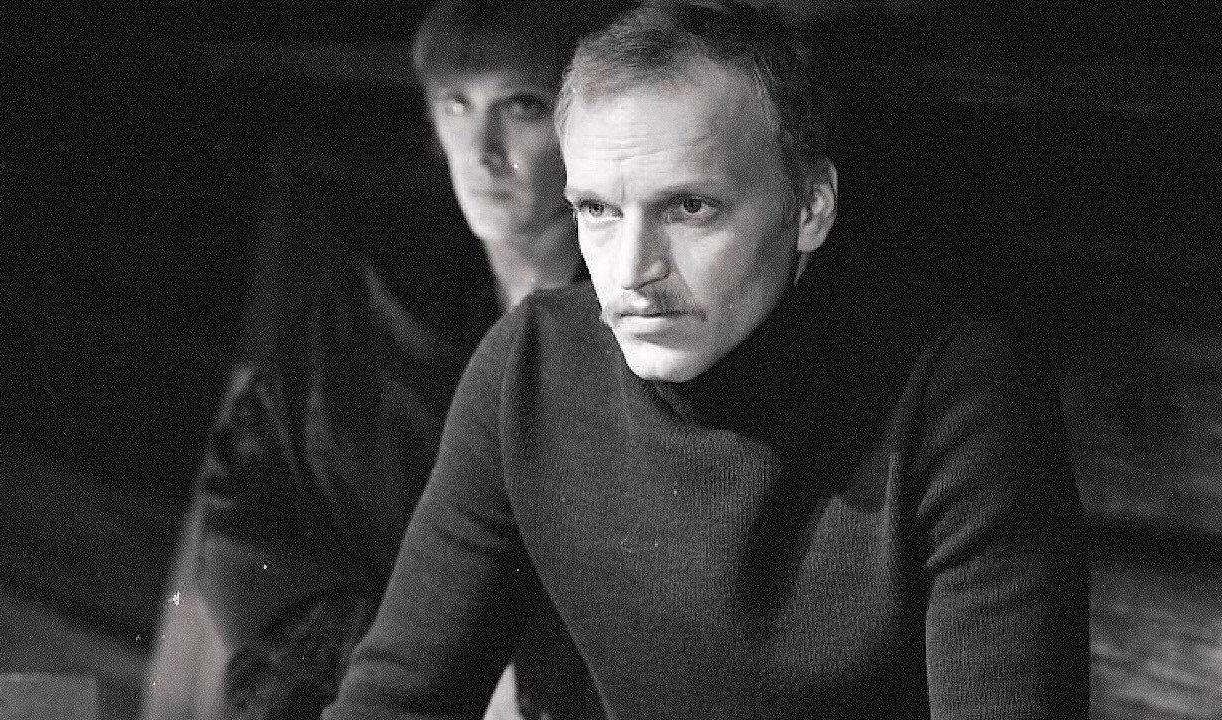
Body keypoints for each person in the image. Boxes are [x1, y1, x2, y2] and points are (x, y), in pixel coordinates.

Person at [323, 2, 1090, 718]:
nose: (631, 271)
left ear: (810, 208)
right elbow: (395, 699)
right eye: (598, 210)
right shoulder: (532, 366)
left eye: (689, 207)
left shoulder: (955, 393)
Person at [140, 3, 626, 719]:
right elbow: (247, 505)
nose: (483, 151)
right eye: (457, 106)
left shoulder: (638, 323)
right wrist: (391, 658)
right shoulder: (372, 310)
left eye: (521, 106)